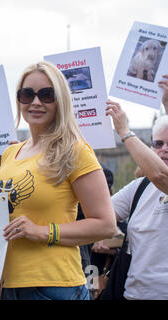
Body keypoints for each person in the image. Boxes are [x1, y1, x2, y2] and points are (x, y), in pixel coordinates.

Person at [0, 61, 116, 300]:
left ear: (61, 101)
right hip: (5, 284)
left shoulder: (75, 150)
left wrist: (42, 232)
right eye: (27, 94)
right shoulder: (10, 154)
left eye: (47, 95)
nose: (36, 102)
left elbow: (106, 224)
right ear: (19, 100)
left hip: (54, 286)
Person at [102, 96, 168, 299]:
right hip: (134, 294)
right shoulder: (140, 186)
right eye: (158, 143)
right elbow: (99, 216)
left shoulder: (157, 178)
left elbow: (160, 175)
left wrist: (124, 131)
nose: (164, 149)